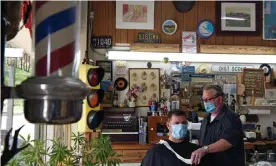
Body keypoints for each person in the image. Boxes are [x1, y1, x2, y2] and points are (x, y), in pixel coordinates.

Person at [191, 84, 245, 166]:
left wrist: (204, 149)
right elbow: (201, 140)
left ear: (219, 99)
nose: (205, 103)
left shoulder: (231, 118)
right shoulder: (206, 119)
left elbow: (226, 142)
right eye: (203, 100)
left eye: (208, 100)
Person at [141, 111, 210, 166]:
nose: (181, 126)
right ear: (168, 125)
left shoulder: (196, 151)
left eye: (183, 123)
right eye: (176, 123)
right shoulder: (155, 152)